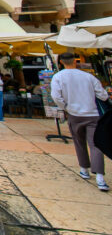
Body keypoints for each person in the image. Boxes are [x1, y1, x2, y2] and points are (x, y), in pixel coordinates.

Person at [51, 52, 110, 191]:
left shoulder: (58, 77)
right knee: (96, 144)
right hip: (93, 114)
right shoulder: (89, 77)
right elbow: (103, 95)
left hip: (74, 114)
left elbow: (56, 96)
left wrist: (65, 107)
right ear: (75, 61)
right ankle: (100, 178)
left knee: (79, 142)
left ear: (61, 63)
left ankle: (84, 169)